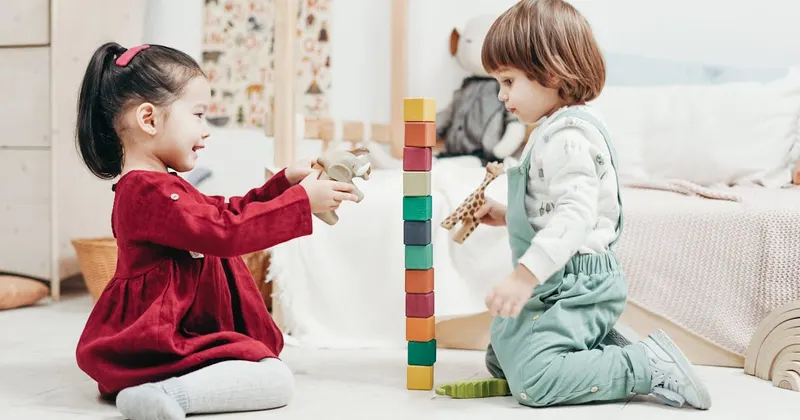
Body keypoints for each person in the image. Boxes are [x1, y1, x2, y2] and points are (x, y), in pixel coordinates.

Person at [434, 0, 711, 410]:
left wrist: (524, 276)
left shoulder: (568, 138)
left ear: (551, 73)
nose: (501, 96)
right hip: (558, 278)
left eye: (508, 81)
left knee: (535, 382)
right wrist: (510, 214)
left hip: (577, 284)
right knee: (501, 355)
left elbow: (576, 216)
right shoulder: (551, 130)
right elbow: (554, 205)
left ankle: (644, 364)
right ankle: (595, 346)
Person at [73, 42, 358, 420]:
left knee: (264, 367)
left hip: (181, 331)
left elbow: (224, 212)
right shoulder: (146, 191)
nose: (206, 131)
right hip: (161, 339)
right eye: (198, 115)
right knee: (276, 381)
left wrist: (285, 184)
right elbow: (225, 232)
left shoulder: (161, 185)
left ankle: (162, 390)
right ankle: (166, 394)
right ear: (149, 119)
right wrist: (302, 203)